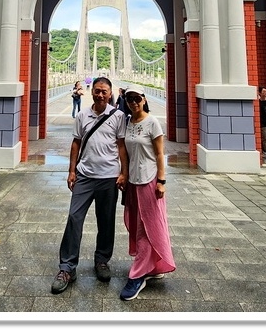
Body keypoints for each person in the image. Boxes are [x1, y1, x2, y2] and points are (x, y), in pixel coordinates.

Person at [51, 76, 127, 294]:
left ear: (110, 94)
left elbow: (122, 146)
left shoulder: (118, 116)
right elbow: (76, 143)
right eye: (97, 90)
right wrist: (71, 170)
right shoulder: (83, 115)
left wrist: (124, 173)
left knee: (106, 221)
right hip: (84, 175)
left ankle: (102, 260)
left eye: (104, 91)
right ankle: (67, 267)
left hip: (109, 177)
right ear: (91, 91)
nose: (100, 94)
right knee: (74, 218)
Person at [118, 86, 176, 301]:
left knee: (147, 227)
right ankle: (154, 265)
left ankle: (137, 275)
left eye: (136, 98)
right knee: (136, 223)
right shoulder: (127, 122)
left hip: (150, 182)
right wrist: (123, 174)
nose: (133, 102)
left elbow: (160, 154)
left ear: (144, 99)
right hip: (133, 182)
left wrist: (161, 181)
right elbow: (124, 152)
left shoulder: (152, 122)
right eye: (129, 99)